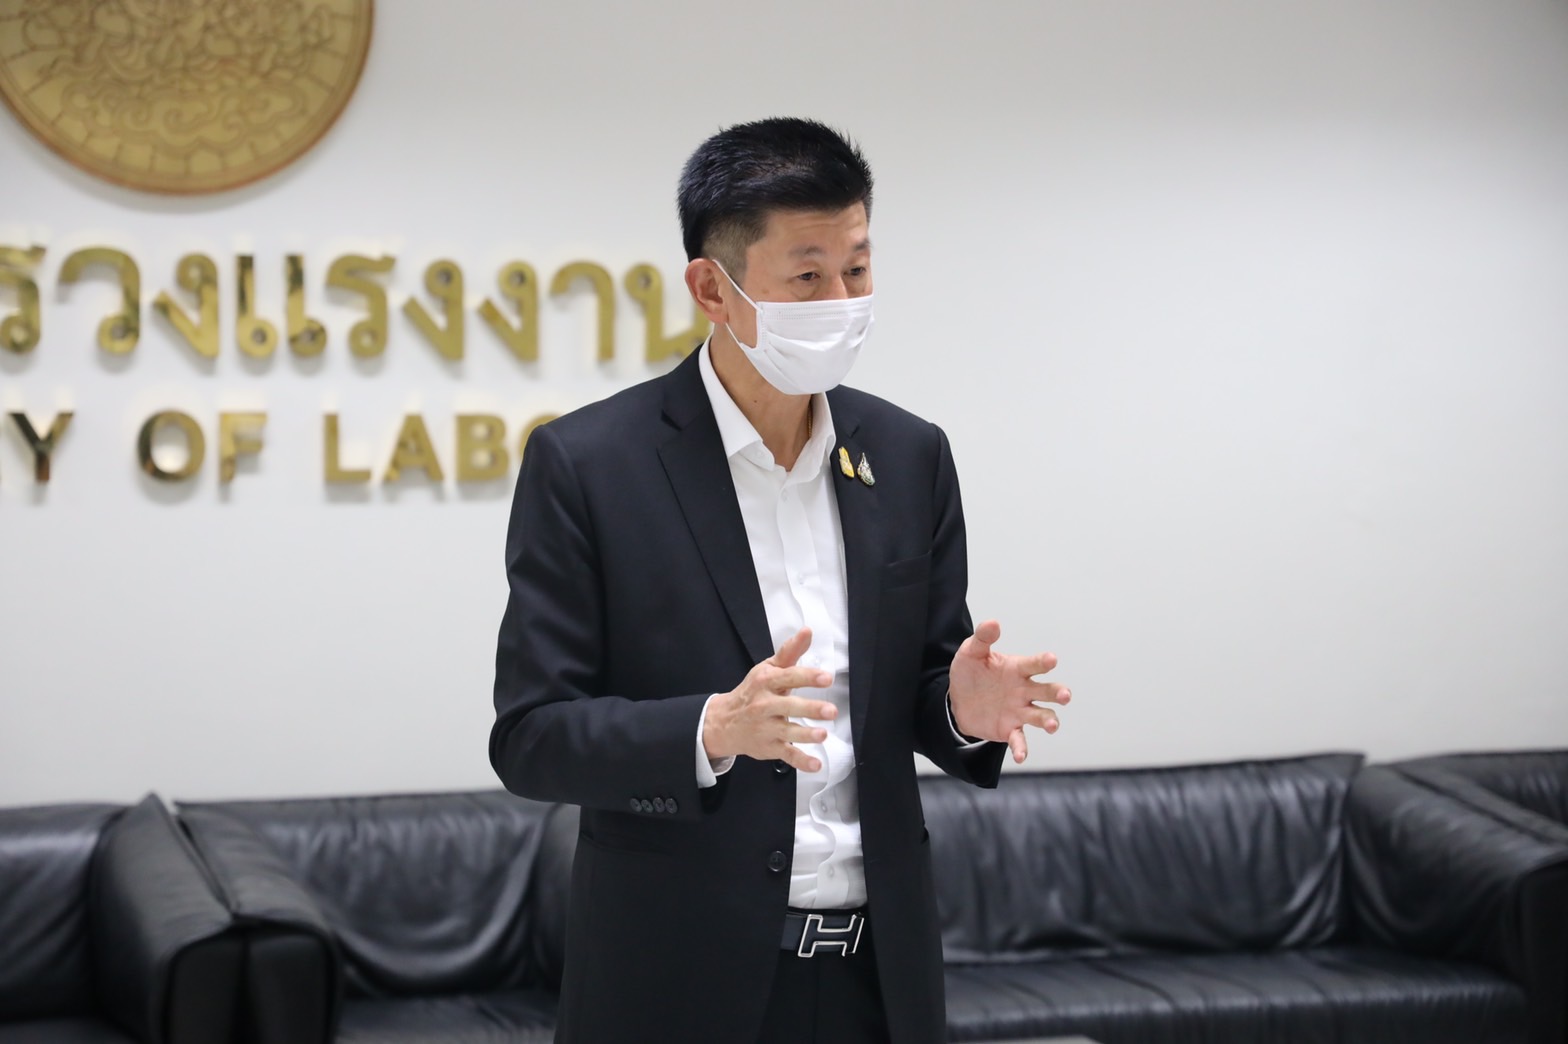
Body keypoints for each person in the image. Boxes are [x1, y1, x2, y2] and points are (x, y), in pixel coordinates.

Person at [491, 117, 1069, 1044]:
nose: (841, 300)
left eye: (857, 269)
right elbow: (530, 738)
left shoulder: (908, 455)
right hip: (677, 983)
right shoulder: (589, 465)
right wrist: (710, 730)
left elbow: (917, 687)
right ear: (710, 289)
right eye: (807, 277)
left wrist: (960, 708)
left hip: (878, 983)